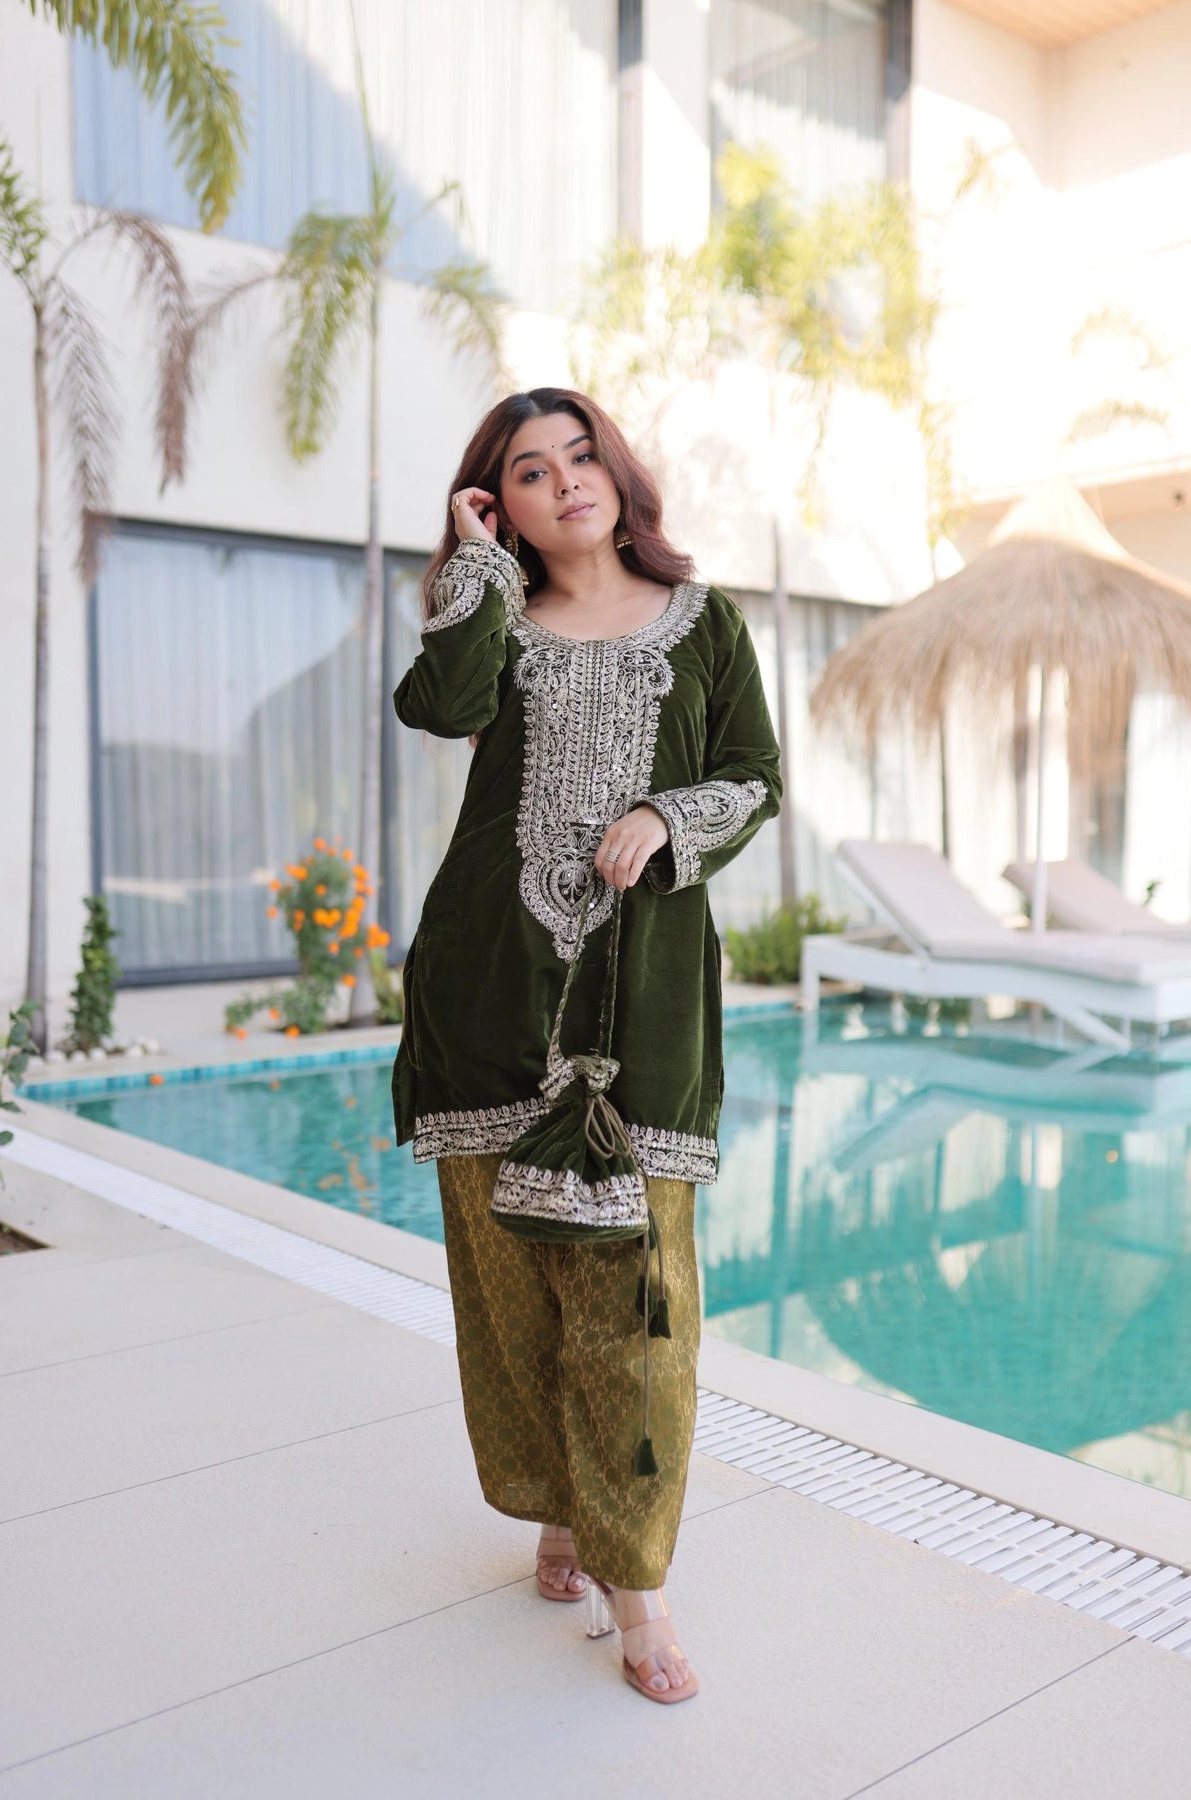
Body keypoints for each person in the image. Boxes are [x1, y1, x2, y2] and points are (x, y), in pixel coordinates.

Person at [391, 386, 782, 1704]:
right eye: (528, 472)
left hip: (640, 1016)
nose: (568, 482)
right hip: (486, 996)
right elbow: (435, 708)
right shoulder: (498, 624)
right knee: (512, 1304)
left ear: (616, 472)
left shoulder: (707, 621)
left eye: (581, 455)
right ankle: (560, 1505)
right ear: (502, 502)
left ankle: (640, 1586)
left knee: (640, 1312)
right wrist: (473, 570)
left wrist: (671, 817)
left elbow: (755, 774)